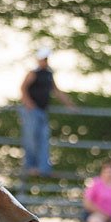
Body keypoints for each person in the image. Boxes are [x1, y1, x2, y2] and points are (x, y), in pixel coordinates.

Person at [18, 47, 75, 176]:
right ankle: (31, 166)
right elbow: (23, 88)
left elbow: (56, 90)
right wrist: (29, 103)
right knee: (31, 138)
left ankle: (43, 168)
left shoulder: (49, 74)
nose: (45, 61)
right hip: (32, 112)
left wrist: (69, 104)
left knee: (43, 139)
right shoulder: (33, 73)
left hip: (42, 111)